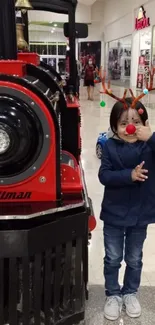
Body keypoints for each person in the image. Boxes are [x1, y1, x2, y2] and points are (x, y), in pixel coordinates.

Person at [98, 97, 155, 321]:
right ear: (114, 127)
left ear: (144, 124)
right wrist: (129, 175)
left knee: (134, 258)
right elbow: (104, 175)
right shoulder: (109, 146)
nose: (130, 128)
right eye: (123, 124)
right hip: (114, 212)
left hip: (140, 214)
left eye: (136, 123)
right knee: (112, 257)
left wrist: (150, 137)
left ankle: (130, 292)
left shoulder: (149, 146)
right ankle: (113, 294)